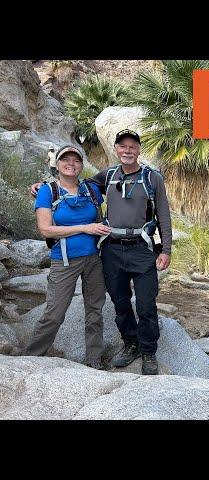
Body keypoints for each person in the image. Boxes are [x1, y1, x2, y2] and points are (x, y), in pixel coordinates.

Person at [31, 130, 172, 375]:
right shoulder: (107, 176)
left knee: (146, 304)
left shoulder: (152, 178)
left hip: (140, 249)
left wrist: (166, 250)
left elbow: (164, 215)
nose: (128, 151)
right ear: (116, 149)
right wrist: (40, 186)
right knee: (120, 303)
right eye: (123, 146)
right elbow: (68, 186)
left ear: (138, 150)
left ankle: (148, 351)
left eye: (132, 146)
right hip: (111, 251)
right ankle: (131, 344)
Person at [25, 145, 111, 369]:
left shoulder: (91, 189)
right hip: (63, 261)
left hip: (94, 259)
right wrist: (86, 228)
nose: (71, 164)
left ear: (82, 165)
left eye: (76, 160)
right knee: (54, 313)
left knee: (94, 311)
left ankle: (94, 362)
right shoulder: (48, 191)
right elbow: (45, 229)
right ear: (57, 164)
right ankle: (32, 358)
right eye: (66, 159)